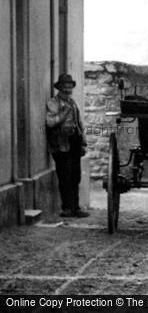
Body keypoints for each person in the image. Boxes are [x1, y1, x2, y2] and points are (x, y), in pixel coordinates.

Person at [45, 74, 89, 218]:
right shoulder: (53, 102)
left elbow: (79, 123)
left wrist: (83, 141)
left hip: (74, 141)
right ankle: (67, 208)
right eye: (65, 86)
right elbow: (50, 122)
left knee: (75, 176)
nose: (68, 88)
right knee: (65, 176)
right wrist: (63, 115)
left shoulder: (73, 102)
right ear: (60, 87)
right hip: (60, 142)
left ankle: (76, 207)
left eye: (70, 86)